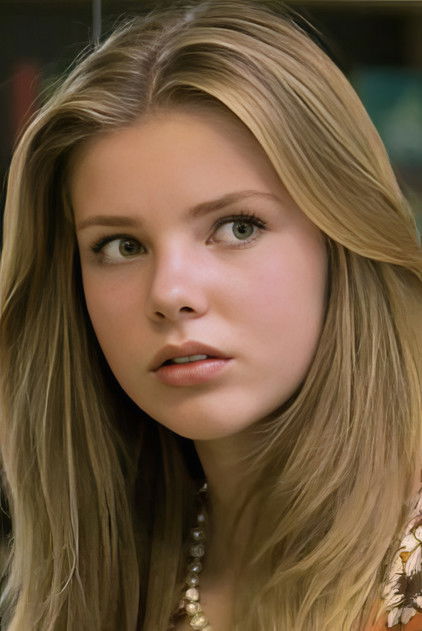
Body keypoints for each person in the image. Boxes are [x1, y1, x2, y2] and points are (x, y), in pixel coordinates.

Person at [0, 1, 421, 629]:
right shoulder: (102, 570)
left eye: (237, 226)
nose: (171, 292)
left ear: (343, 240)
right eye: (121, 246)